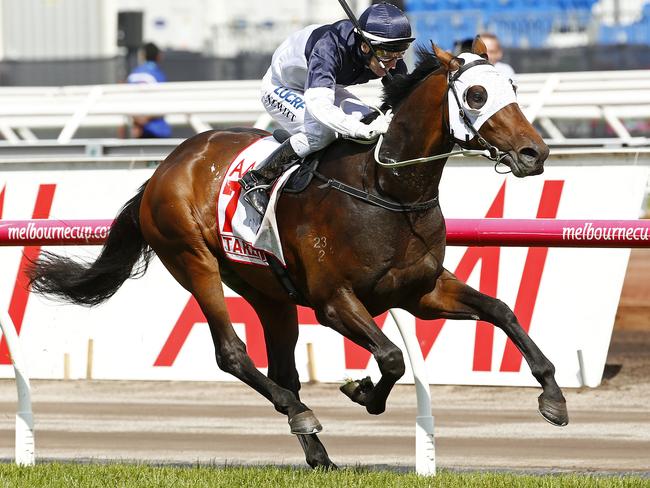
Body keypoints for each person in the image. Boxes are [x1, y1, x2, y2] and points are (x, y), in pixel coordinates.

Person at [239, 2, 415, 215]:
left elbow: (406, 102)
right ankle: (258, 178)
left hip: (322, 84)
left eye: (400, 53)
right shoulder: (328, 48)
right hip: (283, 87)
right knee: (321, 134)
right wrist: (359, 129)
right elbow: (319, 106)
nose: (393, 64)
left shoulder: (388, 59)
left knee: (369, 117)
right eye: (386, 54)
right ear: (365, 45)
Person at [126, 42, 172, 139]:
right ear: (158, 56)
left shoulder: (133, 74)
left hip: (137, 128)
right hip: (157, 128)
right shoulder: (158, 74)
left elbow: (128, 100)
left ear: (143, 55)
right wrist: (146, 118)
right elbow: (163, 102)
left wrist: (138, 119)